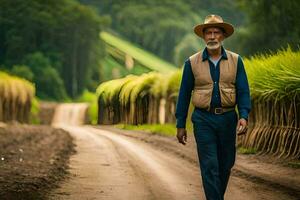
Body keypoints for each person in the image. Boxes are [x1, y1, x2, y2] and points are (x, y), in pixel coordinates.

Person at [175, 14, 251, 200]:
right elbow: (184, 94)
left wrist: (243, 115)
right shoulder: (191, 63)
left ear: (223, 36)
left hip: (227, 118)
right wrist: (180, 124)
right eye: (208, 32)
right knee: (210, 165)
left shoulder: (236, 61)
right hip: (203, 120)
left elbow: (243, 91)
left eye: (216, 32)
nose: (212, 36)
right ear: (203, 36)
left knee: (226, 165)